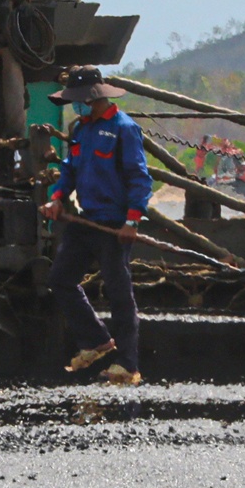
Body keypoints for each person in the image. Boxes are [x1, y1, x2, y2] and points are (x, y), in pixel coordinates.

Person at [40, 65, 153, 387]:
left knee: (120, 293)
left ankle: (129, 365)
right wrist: (57, 198)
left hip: (115, 224)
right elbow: (70, 170)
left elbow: (139, 179)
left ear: (94, 98)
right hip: (86, 219)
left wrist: (132, 221)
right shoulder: (81, 129)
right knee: (61, 280)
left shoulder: (123, 128)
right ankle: (96, 341)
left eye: (79, 100)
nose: (76, 106)